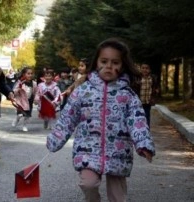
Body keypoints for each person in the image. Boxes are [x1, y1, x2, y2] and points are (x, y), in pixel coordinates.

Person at [46, 38, 155, 202]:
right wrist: (56, 139)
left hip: (118, 152)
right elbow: (68, 117)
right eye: (104, 61)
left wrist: (143, 144)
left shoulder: (128, 95)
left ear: (123, 65)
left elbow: (138, 122)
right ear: (96, 62)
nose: (109, 66)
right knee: (88, 184)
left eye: (115, 62)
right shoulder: (82, 91)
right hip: (88, 151)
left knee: (118, 197)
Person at [11, 67, 37, 132]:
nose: (30, 75)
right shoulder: (20, 82)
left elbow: (36, 92)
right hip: (21, 101)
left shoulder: (34, 83)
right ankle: (17, 119)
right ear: (24, 74)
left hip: (29, 101)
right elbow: (14, 90)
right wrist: (18, 90)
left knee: (27, 115)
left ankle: (25, 126)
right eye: (28, 73)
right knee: (20, 114)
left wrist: (36, 99)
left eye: (31, 73)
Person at [139, 63, 159, 128]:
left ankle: (147, 131)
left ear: (149, 70)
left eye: (147, 68)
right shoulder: (137, 78)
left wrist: (156, 91)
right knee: (138, 116)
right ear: (140, 69)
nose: (145, 70)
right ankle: (138, 130)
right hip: (138, 101)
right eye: (143, 68)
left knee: (147, 116)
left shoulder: (152, 78)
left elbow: (155, 86)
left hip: (147, 101)